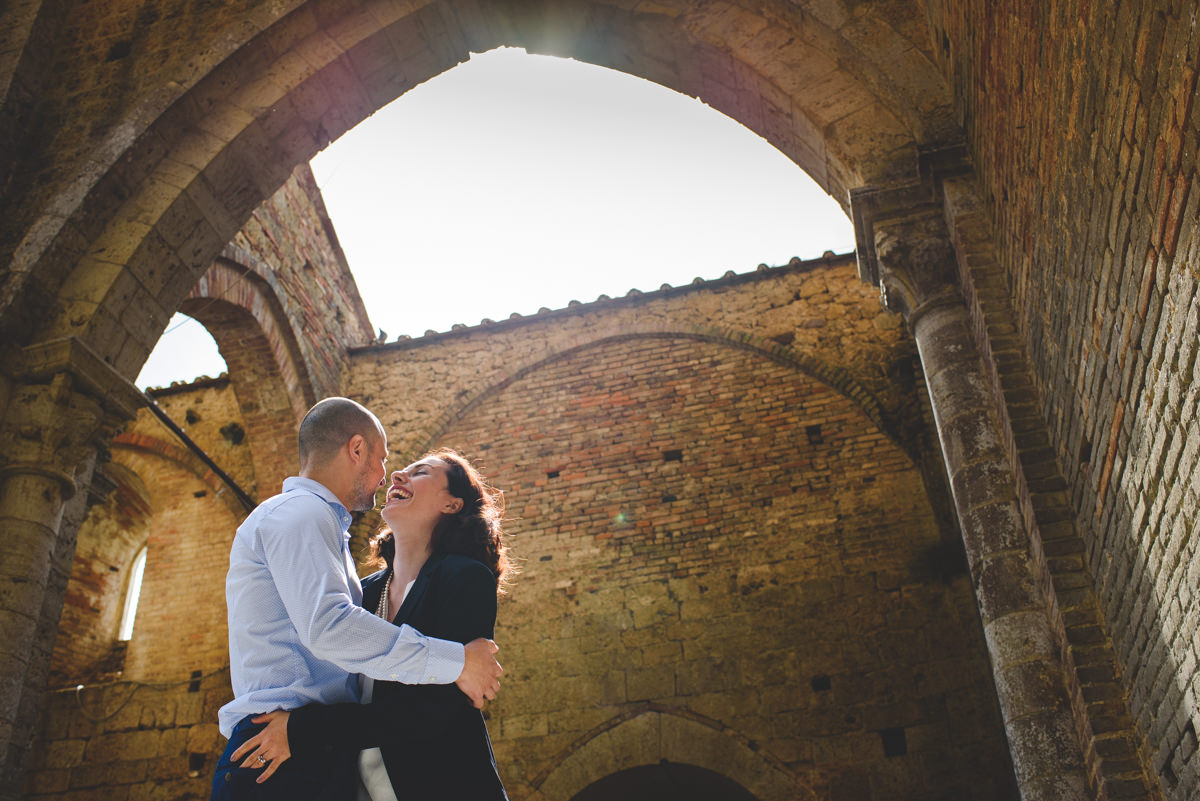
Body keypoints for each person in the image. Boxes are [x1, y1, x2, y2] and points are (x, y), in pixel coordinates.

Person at [211, 399, 503, 801]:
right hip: (280, 747)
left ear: (452, 504)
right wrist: (458, 661)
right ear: (356, 450)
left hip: (408, 779)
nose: (392, 472)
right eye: (385, 459)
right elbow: (332, 629)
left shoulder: (458, 577)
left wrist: (305, 732)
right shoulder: (308, 520)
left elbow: (440, 708)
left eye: (418, 471)